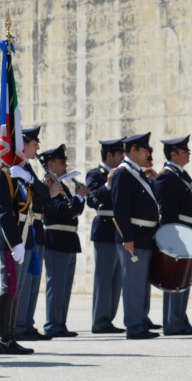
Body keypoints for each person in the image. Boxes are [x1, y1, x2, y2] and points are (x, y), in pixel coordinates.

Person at [110, 132, 160, 340]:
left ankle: (140, 321)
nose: (148, 152)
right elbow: (120, 209)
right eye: (144, 149)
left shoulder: (139, 174)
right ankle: (134, 326)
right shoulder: (123, 174)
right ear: (133, 151)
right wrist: (127, 238)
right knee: (133, 284)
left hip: (146, 235)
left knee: (141, 284)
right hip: (134, 236)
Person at [153, 136, 192, 336]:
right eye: (184, 150)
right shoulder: (167, 176)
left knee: (185, 278)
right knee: (175, 278)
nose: (189, 153)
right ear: (173, 154)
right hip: (179, 231)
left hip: (188, 230)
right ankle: (173, 322)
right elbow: (167, 209)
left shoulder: (180, 175)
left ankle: (180, 319)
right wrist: (172, 236)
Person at [40, 144, 89, 338]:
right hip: (56, 238)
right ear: (50, 165)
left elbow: (74, 211)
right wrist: (78, 197)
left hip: (68, 238)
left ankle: (60, 323)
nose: (65, 164)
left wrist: (80, 197)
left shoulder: (61, 185)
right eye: (61, 162)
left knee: (65, 286)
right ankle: (53, 323)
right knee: (56, 285)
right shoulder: (49, 186)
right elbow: (61, 209)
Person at [15, 126, 58, 341]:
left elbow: (39, 196)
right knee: (23, 283)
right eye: (34, 144)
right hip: (24, 230)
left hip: (35, 230)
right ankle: (18, 325)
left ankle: (27, 323)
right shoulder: (16, 168)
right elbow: (34, 199)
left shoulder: (28, 168)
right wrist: (48, 192)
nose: (38, 147)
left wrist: (46, 189)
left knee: (32, 282)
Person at [0, 149, 34, 355]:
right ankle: (3, 339)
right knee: (9, 287)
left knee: (15, 289)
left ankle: (11, 337)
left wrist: (29, 177)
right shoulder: (3, 174)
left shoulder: (22, 175)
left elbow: (43, 196)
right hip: (10, 239)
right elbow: (2, 210)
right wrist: (16, 241)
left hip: (23, 236)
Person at [85, 138, 126, 334]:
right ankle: (99, 321)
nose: (123, 158)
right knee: (104, 278)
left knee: (116, 280)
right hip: (105, 229)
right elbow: (92, 200)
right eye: (120, 154)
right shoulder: (95, 174)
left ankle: (108, 319)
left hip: (120, 230)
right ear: (109, 155)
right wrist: (108, 184)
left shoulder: (123, 174)